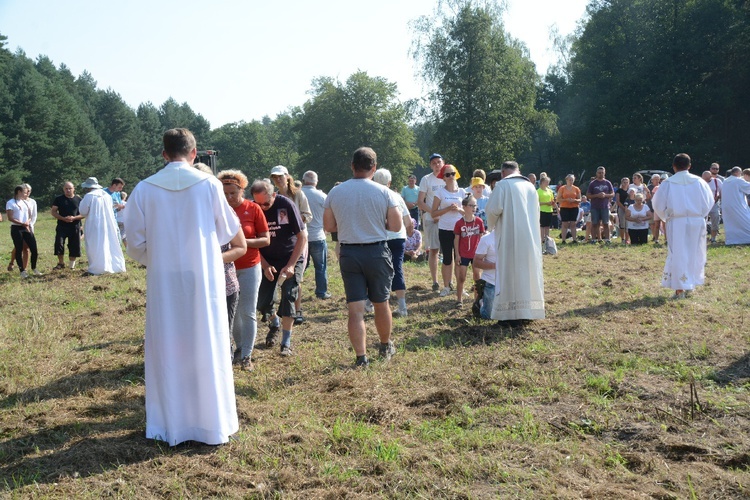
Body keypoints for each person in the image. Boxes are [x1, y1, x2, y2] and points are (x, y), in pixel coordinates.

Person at [124, 128, 241, 446]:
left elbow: (133, 242)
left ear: (164, 155)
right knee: (207, 340)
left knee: (168, 345)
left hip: (164, 279)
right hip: (202, 276)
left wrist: (159, 255)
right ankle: (210, 422)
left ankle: (170, 423)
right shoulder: (210, 185)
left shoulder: (145, 188)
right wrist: (199, 247)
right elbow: (229, 229)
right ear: (194, 153)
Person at [324, 147, 401, 368]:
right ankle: (385, 345)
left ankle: (361, 357)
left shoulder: (335, 192)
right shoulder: (384, 192)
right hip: (376, 251)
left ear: (352, 166)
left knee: (355, 310)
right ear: (374, 168)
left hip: (349, 252)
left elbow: (329, 226)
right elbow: (395, 226)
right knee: (381, 302)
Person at [217, 169, 270, 372]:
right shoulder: (219, 211)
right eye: (225, 193)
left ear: (242, 190)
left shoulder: (253, 209)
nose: (230, 197)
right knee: (234, 313)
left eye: (233, 193)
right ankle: (239, 349)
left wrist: (241, 243)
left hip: (248, 266)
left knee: (247, 311)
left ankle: (247, 355)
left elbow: (266, 239)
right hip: (225, 268)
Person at [251, 179, 307, 356]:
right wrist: (265, 265)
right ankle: (274, 322)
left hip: (290, 257)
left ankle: (286, 343)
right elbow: (252, 244)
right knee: (261, 302)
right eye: (258, 204)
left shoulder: (286, 205)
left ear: (274, 195)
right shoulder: (253, 209)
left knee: (288, 297)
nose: (263, 208)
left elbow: (302, 237)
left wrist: (291, 265)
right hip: (267, 260)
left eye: (266, 203)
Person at [485, 161, 545, 324]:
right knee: (526, 272)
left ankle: (508, 315)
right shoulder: (531, 186)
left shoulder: (502, 185)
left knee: (509, 272)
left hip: (509, 237)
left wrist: (490, 224)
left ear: (503, 173)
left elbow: (492, 210)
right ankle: (526, 311)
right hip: (530, 238)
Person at [651, 153, 714, 299]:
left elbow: (658, 204)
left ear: (674, 166)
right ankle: (689, 282)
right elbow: (709, 202)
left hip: (677, 221)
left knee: (678, 253)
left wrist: (666, 217)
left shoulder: (668, 183)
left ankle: (681, 288)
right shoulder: (699, 182)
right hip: (696, 221)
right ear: (689, 166)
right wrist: (700, 215)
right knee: (693, 251)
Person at [270, 165, 311, 325]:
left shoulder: (298, 194)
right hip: (283, 240)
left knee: (295, 276)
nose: (278, 179)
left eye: (280, 176)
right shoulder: (275, 197)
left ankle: (297, 309)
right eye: (275, 177)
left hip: (300, 238)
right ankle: (284, 308)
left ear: (287, 177)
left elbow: (308, 215)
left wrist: (295, 219)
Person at [373, 168, 413, 317]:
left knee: (377, 271)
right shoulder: (396, 196)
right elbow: (408, 221)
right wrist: (408, 232)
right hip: (398, 237)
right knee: (397, 269)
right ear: (389, 182)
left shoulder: (373, 196)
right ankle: (402, 306)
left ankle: (371, 304)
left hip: (380, 238)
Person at [79, 177, 126, 275]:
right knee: (109, 244)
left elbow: (83, 211)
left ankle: (97, 268)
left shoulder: (89, 196)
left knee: (95, 246)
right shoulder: (106, 195)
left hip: (94, 224)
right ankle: (113, 266)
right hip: (108, 224)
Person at [431, 164, 466, 297]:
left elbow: (467, 213)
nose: (451, 177)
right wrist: (447, 209)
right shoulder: (440, 193)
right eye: (447, 174)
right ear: (443, 178)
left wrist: (459, 209)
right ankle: (446, 286)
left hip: (459, 229)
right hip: (445, 229)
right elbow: (433, 213)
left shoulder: (462, 192)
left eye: (452, 173)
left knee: (459, 259)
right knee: (447, 258)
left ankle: (460, 287)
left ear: (456, 174)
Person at [417, 153, 446, 292]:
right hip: (432, 220)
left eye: (439, 162)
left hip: (447, 220)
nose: (437, 165)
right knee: (434, 250)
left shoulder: (449, 176)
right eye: (433, 163)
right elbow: (420, 202)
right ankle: (435, 281)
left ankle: (449, 281)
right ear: (430, 165)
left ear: (443, 163)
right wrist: (433, 213)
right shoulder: (426, 179)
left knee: (448, 251)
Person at [301, 170, 331, 299]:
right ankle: (321, 292)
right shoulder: (322, 196)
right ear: (316, 181)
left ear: (303, 180)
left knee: (300, 267)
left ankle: (296, 289)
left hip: (302, 237)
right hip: (318, 235)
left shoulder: (298, 194)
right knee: (321, 267)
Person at [454, 194, 484, 306]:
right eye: (471, 205)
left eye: (475, 206)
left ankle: (477, 299)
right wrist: (457, 254)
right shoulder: (459, 223)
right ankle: (459, 299)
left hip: (475, 254)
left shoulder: (479, 222)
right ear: (464, 207)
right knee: (461, 277)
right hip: (463, 254)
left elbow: (481, 238)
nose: (474, 208)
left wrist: (482, 254)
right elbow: (456, 240)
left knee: (477, 277)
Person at [6, 185, 40, 278]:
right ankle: (22, 271)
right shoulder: (11, 203)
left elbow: (30, 215)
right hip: (16, 228)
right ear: (19, 192)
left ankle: (34, 268)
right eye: (25, 192)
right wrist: (21, 223)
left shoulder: (26, 202)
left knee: (34, 249)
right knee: (19, 248)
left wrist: (27, 223)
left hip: (26, 227)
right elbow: (10, 217)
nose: (26, 194)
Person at [50, 181, 83, 270]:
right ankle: (61, 263)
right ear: (63, 189)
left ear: (74, 189)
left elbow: (84, 214)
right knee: (59, 244)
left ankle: (71, 266)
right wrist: (63, 218)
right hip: (62, 225)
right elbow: (53, 211)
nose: (68, 190)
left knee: (74, 245)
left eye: (70, 188)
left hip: (75, 226)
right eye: (66, 188)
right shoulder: (58, 199)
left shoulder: (79, 200)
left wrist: (74, 218)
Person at [720, 166, 750, 245]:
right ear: (737, 173)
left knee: (731, 224)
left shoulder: (725, 181)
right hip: (738, 206)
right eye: (740, 173)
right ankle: (746, 238)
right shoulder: (738, 180)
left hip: (727, 207)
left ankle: (733, 239)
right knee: (746, 221)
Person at [586, 166, 615, 244]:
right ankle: (594, 239)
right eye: (599, 173)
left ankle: (607, 239)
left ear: (604, 173)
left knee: (606, 223)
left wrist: (605, 195)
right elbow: (588, 195)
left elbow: (612, 194)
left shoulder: (608, 183)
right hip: (595, 206)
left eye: (602, 173)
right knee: (595, 223)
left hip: (605, 206)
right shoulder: (593, 183)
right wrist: (597, 195)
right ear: (596, 173)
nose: (601, 174)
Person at [556, 174, 581, 244]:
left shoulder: (576, 189)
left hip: (574, 207)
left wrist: (574, 200)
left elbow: (580, 199)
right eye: (569, 180)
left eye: (572, 180)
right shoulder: (562, 188)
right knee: (565, 224)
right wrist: (566, 200)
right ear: (566, 180)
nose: (571, 181)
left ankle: (574, 239)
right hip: (564, 207)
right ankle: (563, 240)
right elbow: (558, 199)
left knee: (573, 224)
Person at [701, 170, 722, 244]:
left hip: (714, 204)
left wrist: (718, 197)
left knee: (715, 219)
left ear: (711, 177)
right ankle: (702, 237)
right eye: (704, 179)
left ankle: (713, 238)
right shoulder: (700, 182)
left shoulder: (717, 181)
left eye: (707, 179)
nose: (705, 181)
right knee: (702, 221)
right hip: (703, 205)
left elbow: (722, 191)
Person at [105, 178, 126, 243]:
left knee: (117, 239)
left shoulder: (117, 194)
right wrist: (115, 206)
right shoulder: (104, 192)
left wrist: (120, 207)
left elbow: (118, 206)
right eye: (119, 187)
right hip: (106, 219)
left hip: (114, 218)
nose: (120, 189)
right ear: (114, 185)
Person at [537, 176, 555, 251]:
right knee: (542, 226)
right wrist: (545, 203)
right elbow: (537, 202)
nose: (547, 183)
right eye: (546, 182)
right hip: (542, 210)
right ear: (541, 182)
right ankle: (541, 241)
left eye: (548, 182)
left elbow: (552, 200)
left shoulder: (550, 191)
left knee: (547, 226)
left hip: (549, 210)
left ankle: (547, 240)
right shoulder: (538, 191)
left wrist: (552, 203)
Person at [649, 173, 665, 244]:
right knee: (656, 224)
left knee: (665, 224)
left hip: (664, 208)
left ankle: (666, 239)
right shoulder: (655, 188)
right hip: (657, 208)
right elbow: (653, 199)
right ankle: (656, 239)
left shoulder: (666, 188)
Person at [615, 178, 631, 244]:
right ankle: (622, 239)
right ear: (622, 183)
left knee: (628, 224)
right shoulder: (619, 191)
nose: (625, 183)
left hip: (629, 209)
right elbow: (618, 201)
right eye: (624, 182)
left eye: (627, 182)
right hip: (621, 208)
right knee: (622, 224)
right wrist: (624, 208)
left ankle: (627, 239)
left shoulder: (630, 191)